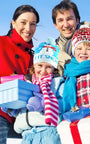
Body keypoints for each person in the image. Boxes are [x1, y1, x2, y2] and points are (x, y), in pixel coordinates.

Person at [0, 5, 39, 144]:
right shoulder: (1, 43)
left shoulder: (35, 58)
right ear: (13, 22)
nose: (28, 28)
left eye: (33, 24)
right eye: (23, 22)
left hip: (21, 118)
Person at [14, 38, 64, 144]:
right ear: (34, 65)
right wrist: (13, 108)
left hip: (48, 133)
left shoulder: (57, 83)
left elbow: (64, 105)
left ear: (54, 68)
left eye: (48, 67)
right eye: (40, 65)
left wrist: (44, 104)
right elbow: (24, 108)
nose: (43, 71)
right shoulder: (26, 83)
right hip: (27, 134)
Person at [52, 0, 90, 76]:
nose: (66, 25)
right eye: (60, 20)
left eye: (69, 19)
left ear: (77, 20)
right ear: (55, 25)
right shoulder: (55, 50)